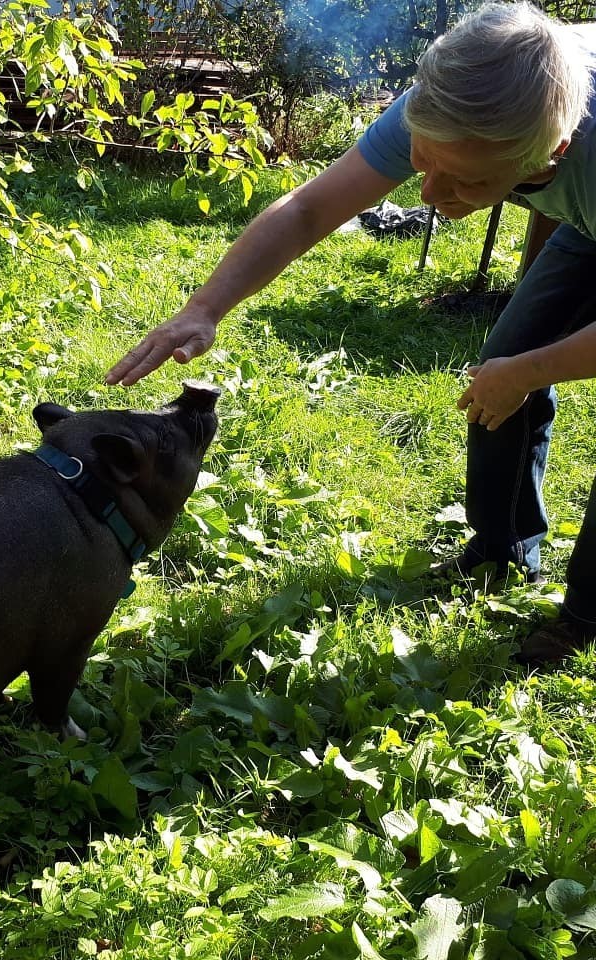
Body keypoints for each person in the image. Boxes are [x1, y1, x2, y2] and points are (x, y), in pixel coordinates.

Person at [105, 2, 596, 666]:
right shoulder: (459, 97)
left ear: (550, 153)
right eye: (423, 161)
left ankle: (584, 617)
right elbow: (310, 207)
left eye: (465, 181)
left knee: (517, 370)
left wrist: (533, 373)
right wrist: (205, 307)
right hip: (581, 215)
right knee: (502, 363)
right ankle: (499, 556)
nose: (427, 193)